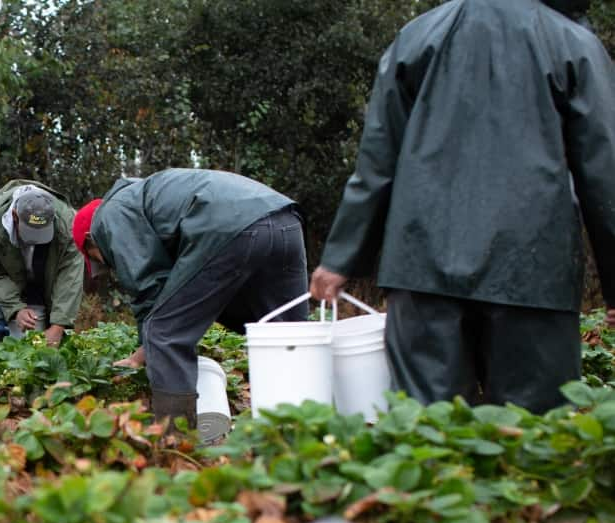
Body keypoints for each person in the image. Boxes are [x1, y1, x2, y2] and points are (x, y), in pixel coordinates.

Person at [310, 0, 615, 413]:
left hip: (422, 263)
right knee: (535, 432)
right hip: (532, 267)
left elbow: (378, 160)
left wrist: (341, 258)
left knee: (429, 426)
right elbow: (604, 170)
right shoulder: (570, 43)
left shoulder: (417, 38)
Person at [72, 168, 308, 428]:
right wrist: (143, 354)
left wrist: (150, 345)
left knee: (164, 333)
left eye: (96, 258)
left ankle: (174, 440)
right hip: (285, 219)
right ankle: (298, 432)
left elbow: (150, 289)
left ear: (89, 238)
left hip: (229, 227)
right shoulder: (146, 197)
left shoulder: (109, 216)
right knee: (287, 336)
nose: (109, 264)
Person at [0, 181, 84, 348]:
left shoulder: (67, 224)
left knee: (34, 330)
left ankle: (16, 364)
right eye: (31, 232)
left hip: (35, 273)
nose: (35, 240)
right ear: (15, 216)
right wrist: (16, 308)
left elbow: (70, 277)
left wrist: (58, 326)